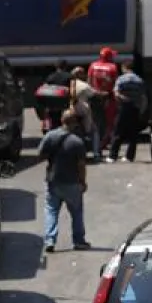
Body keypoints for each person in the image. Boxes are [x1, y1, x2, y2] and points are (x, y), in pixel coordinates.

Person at [37, 108, 90, 252]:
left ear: (62, 120)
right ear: (75, 123)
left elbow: (40, 155)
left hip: (53, 181)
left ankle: (50, 240)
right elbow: (81, 166)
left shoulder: (50, 136)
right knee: (76, 212)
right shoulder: (77, 142)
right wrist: (83, 182)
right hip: (72, 183)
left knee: (51, 211)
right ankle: (78, 241)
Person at [112, 57, 148, 163]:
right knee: (133, 134)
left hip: (123, 108)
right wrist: (141, 110)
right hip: (135, 108)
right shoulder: (139, 80)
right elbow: (143, 97)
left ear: (124, 67)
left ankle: (113, 156)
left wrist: (121, 101)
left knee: (118, 131)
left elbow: (116, 93)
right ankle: (129, 157)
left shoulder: (121, 79)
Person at [87, 48, 121, 160]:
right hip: (108, 97)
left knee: (96, 123)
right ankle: (102, 144)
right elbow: (116, 84)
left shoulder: (93, 66)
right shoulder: (113, 68)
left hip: (95, 96)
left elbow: (89, 81)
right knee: (108, 123)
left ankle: (97, 147)